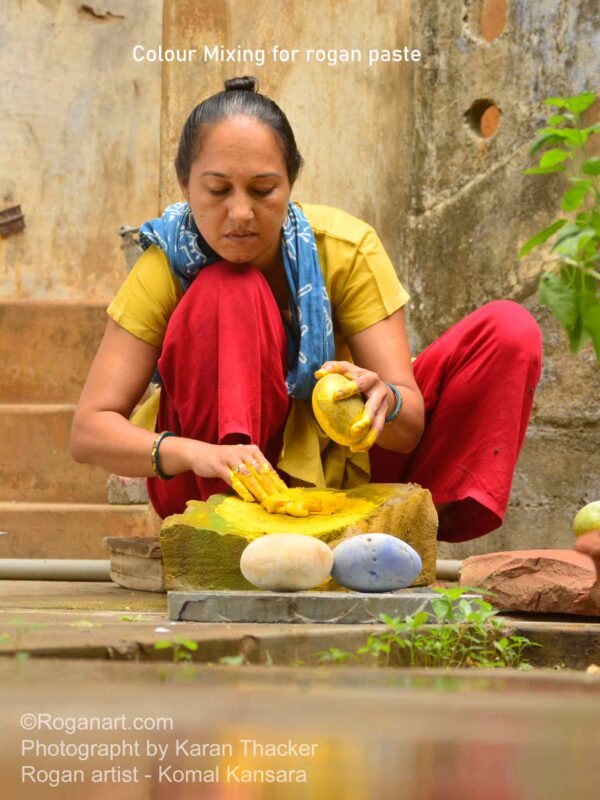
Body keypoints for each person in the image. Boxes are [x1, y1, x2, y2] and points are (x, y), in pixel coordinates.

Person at [70, 75, 542, 543]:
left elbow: (407, 431)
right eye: (217, 191)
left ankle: (400, 538)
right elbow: (89, 432)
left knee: (509, 329)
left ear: (291, 183)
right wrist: (197, 454)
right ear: (185, 184)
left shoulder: (345, 248)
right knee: (228, 287)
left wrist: (387, 399)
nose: (240, 214)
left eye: (263, 190)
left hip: (345, 472)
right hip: (213, 491)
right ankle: (237, 534)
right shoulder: (166, 263)